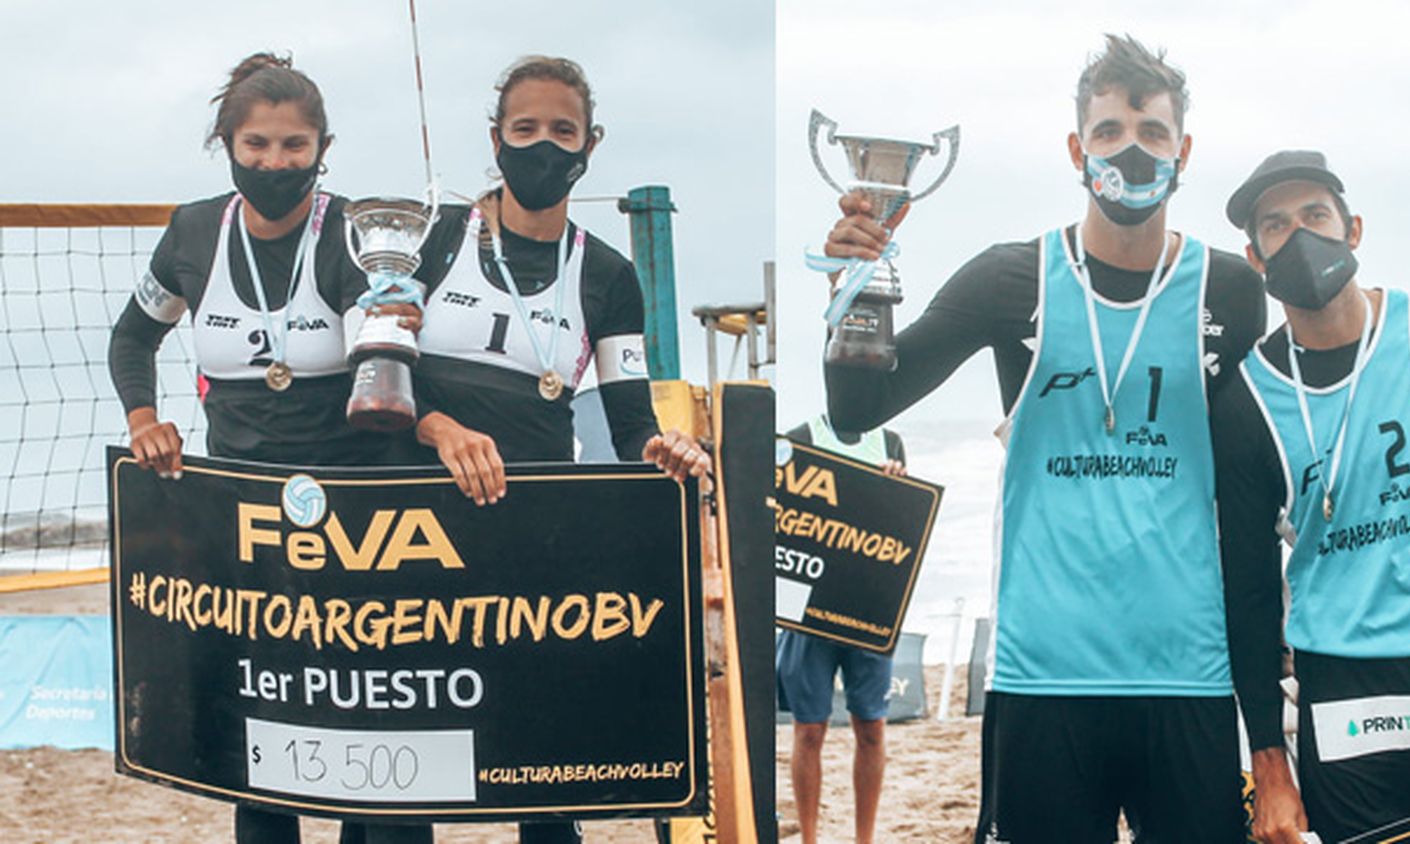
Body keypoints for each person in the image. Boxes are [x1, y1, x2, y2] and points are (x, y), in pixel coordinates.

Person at [819, 35, 1266, 843]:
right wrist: (861, 286)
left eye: (1153, 134)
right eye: (1109, 133)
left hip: (1188, 675)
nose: (1131, 152)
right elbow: (859, 407)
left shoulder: (1230, 291)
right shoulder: (1009, 278)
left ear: (1184, 151)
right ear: (1076, 149)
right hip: (1044, 676)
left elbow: (1255, 486)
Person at [107, 54, 428, 844]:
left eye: (294, 146)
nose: (276, 163)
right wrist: (145, 418)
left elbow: (391, 364)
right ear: (227, 144)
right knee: (264, 742)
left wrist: (394, 328)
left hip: (361, 520)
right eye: (257, 146)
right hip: (245, 522)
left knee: (374, 738)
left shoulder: (356, 233)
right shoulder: (191, 231)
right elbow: (132, 337)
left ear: (323, 146)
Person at [403, 55, 710, 843]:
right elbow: (375, 383)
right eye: (525, 129)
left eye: (562, 131)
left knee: (544, 768)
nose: (543, 146)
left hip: (530, 529)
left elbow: (629, 421)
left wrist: (664, 453)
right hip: (412, 524)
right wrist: (439, 429)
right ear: (496, 140)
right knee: (400, 778)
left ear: (590, 144)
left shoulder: (607, 273)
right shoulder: (435, 240)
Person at [1215, 150, 1410, 843]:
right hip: (1340, 690)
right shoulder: (1245, 403)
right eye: (1276, 226)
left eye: (1316, 214)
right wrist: (1270, 767)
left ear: (1355, 230)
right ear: (1256, 257)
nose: (1301, 236)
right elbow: (1247, 597)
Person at [777, 414, 906, 844]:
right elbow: (780, 519)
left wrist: (897, 488)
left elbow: (902, 531)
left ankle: (863, 839)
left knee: (871, 728)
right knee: (808, 728)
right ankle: (810, 839)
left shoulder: (890, 441)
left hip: (869, 606)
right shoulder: (799, 439)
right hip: (810, 610)